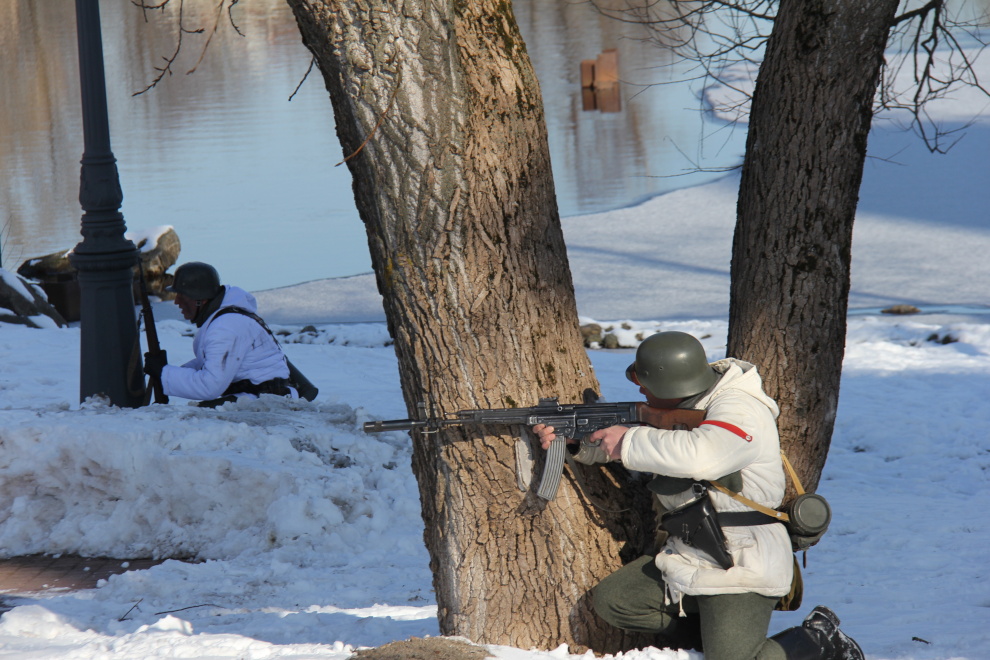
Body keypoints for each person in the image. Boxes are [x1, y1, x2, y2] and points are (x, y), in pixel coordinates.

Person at [532, 331, 864, 660]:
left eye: (646, 384)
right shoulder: (686, 405)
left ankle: (821, 640)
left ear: (672, 386)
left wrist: (628, 441)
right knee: (617, 601)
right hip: (691, 549)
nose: (640, 390)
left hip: (741, 557)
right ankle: (709, 641)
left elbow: (703, 455)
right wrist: (579, 442)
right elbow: (656, 448)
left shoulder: (740, 408)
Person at [143, 261, 297, 407]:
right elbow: (208, 363)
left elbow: (209, 386)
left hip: (265, 401)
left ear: (200, 299)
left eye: (182, 295)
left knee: (190, 419)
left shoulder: (225, 327)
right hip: (259, 396)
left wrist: (163, 373)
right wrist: (167, 370)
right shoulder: (227, 320)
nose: (176, 301)